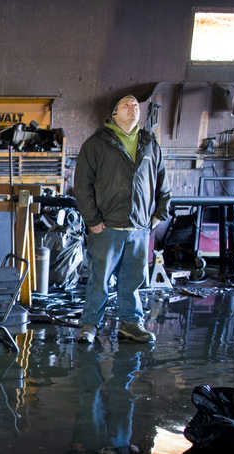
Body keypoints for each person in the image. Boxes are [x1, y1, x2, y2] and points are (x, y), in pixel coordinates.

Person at [74, 94, 171, 344]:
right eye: (126, 105)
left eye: (136, 105)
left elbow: (163, 182)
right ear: (114, 113)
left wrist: (160, 214)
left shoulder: (149, 144)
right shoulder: (96, 144)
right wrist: (93, 221)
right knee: (99, 280)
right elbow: (82, 186)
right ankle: (90, 325)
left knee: (133, 281)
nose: (133, 108)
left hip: (139, 228)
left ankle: (130, 323)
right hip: (107, 227)